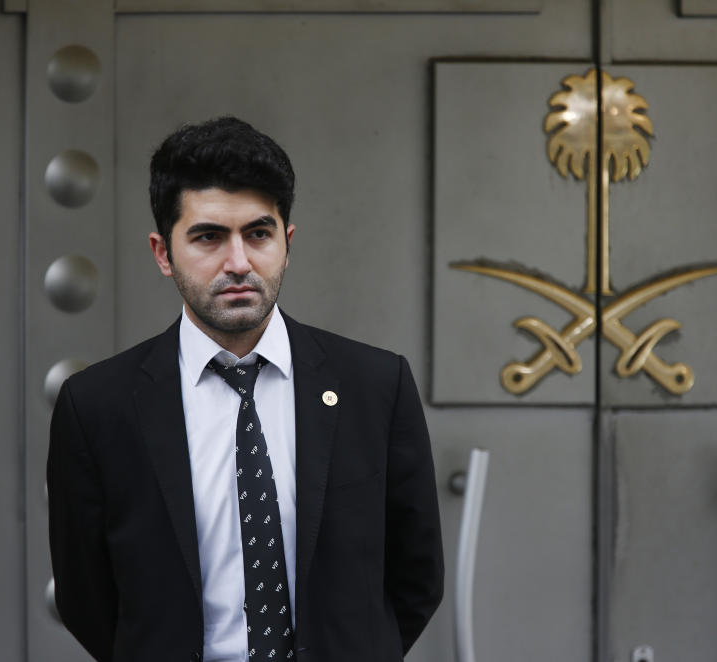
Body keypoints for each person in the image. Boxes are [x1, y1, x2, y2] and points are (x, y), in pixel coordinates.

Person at [47, 116, 444, 662]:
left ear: (287, 242)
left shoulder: (375, 385)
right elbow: (85, 595)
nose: (238, 263)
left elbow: (417, 575)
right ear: (163, 253)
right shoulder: (98, 406)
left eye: (258, 233)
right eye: (208, 236)